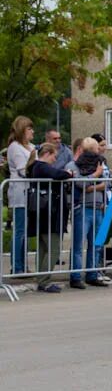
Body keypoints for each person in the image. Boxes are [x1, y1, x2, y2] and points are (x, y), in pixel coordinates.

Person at [27, 143, 72, 292]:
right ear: (47, 154)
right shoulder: (41, 166)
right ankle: (44, 280)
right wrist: (69, 173)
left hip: (41, 211)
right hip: (47, 212)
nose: (54, 159)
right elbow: (58, 174)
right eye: (54, 156)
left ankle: (41, 278)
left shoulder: (35, 166)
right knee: (53, 248)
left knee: (43, 248)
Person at [66, 137, 108, 289]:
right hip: (82, 207)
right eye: (95, 149)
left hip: (98, 207)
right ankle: (75, 276)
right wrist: (95, 176)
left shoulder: (100, 163)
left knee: (96, 244)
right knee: (79, 244)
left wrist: (92, 185)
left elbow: (107, 182)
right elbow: (78, 183)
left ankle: (92, 274)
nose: (97, 152)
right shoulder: (72, 165)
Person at [6, 116, 35, 275]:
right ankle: (17, 266)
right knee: (20, 231)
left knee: (25, 230)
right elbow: (22, 170)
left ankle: (23, 265)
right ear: (21, 130)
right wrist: (32, 161)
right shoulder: (15, 147)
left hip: (29, 193)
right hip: (20, 193)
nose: (32, 131)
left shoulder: (30, 146)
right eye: (29, 129)